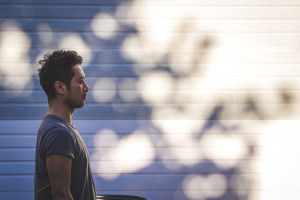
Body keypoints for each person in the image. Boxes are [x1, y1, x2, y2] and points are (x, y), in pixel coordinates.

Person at [34, 50, 96, 200]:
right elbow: (61, 195)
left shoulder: (61, 128)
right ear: (60, 87)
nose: (86, 88)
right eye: (80, 82)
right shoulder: (58, 132)